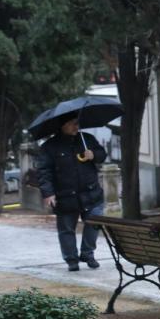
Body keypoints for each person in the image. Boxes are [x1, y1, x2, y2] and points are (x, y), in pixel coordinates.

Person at [36, 113, 106, 271]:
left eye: (77, 123)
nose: (77, 126)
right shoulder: (50, 147)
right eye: (73, 124)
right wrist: (48, 193)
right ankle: (71, 259)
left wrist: (94, 155)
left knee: (94, 223)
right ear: (63, 126)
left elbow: (102, 155)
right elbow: (44, 171)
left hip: (91, 193)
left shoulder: (86, 139)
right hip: (65, 195)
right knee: (66, 229)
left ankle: (88, 253)